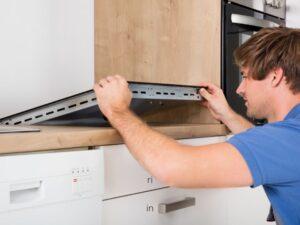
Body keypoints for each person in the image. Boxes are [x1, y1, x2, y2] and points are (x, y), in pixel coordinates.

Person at [94, 27, 300, 225]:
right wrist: (227, 115)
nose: (239, 88)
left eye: (245, 76)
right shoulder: (290, 137)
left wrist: (118, 111)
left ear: (275, 76)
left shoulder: (288, 139)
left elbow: (173, 168)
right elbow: (272, 152)